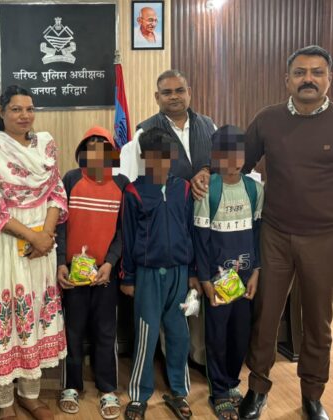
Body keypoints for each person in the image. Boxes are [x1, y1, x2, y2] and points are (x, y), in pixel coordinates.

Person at [239, 45, 333, 420]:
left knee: (318, 322)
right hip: (275, 234)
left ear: (328, 79)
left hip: (324, 238)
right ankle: (257, 389)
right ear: (287, 79)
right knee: (265, 315)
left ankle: (312, 394)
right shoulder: (268, 119)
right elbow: (238, 163)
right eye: (300, 72)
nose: (308, 79)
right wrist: (204, 174)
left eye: (317, 72)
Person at [0, 85, 68, 420]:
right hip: (4, 243)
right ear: (1, 112)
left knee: (37, 314)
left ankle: (31, 395)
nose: (24, 115)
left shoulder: (45, 143)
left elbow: (57, 191)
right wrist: (32, 236)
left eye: (29, 109)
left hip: (42, 244)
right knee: (5, 317)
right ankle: (5, 403)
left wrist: (45, 235)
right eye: (16, 109)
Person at [119, 69, 216, 372]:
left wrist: (207, 171)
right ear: (157, 97)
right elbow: (135, 182)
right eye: (167, 92)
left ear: (189, 92)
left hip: (200, 226)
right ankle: (167, 363)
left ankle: (196, 359)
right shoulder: (144, 133)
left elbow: (219, 163)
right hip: (160, 233)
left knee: (194, 298)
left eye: (179, 90)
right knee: (163, 314)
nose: (174, 97)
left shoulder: (208, 126)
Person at [120, 127, 196, 420]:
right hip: (148, 275)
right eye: (153, 156)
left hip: (179, 273)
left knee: (179, 333)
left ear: (172, 156)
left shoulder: (183, 189)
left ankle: (179, 391)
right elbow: (128, 236)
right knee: (146, 334)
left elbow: (190, 230)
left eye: (165, 156)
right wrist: (128, 277)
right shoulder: (133, 191)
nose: (160, 162)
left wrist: (192, 271)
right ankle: (139, 395)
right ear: (144, 157)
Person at [56, 126, 127, 420]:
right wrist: (60, 263)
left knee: (106, 332)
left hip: (104, 275)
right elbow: (59, 225)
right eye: (91, 147)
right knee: (72, 331)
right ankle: (71, 386)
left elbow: (124, 231)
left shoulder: (121, 184)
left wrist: (110, 262)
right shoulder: (71, 179)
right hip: (74, 274)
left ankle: (107, 388)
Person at [193, 125, 263, 420]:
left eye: (238, 153)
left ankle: (232, 382)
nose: (233, 160)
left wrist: (256, 271)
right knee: (217, 337)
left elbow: (258, 234)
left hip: (245, 280)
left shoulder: (254, 189)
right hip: (217, 281)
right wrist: (205, 280)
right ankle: (219, 391)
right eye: (225, 153)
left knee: (240, 334)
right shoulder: (208, 190)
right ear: (215, 156)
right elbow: (200, 240)